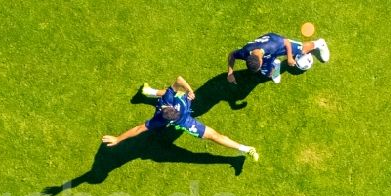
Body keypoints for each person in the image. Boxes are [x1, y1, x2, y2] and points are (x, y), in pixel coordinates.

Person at [103, 76, 260, 161]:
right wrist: (117, 139)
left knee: (214, 135)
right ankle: (148, 91)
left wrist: (190, 90)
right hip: (184, 120)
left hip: (184, 117)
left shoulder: (173, 104)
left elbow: (179, 79)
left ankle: (245, 149)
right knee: (211, 137)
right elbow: (138, 129)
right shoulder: (160, 118)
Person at [227, 32, 330, 85]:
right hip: (267, 53)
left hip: (278, 45)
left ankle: (320, 43)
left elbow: (286, 42)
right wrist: (230, 73)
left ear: (261, 61)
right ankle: (275, 64)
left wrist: (289, 57)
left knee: (302, 50)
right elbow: (232, 55)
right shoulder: (245, 52)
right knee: (266, 73)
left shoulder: (273, 44)